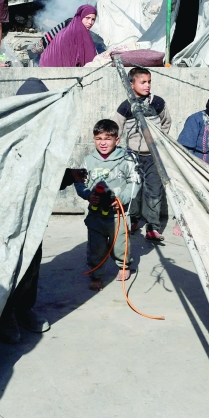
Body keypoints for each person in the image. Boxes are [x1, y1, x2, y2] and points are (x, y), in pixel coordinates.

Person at [0, 78, 85, 344]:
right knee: (7, 265)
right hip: (6, 213)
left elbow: (45, 176)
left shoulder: (48, 135)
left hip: (34, 212)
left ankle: (24, 309)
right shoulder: (8, 135)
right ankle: (4, 315)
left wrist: (69, 175)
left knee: (32, 262)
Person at [75, 119, 139, 291]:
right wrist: (88, 195)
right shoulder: (88, 160)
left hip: (119, 214)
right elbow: (79, 182)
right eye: (98, 138)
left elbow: (135, 181)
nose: (103, 143)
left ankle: (123, 266)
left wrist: (122, 199)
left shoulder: (127, 159)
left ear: (117, 140)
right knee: (96, 246)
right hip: (96, 215)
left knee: (120, 243)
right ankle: (96, 274)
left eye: (108, 138)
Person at [112, 67, 171, 242]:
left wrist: (158, 140)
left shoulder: (157, 103)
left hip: (153, 156)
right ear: (131, 84)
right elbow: (116, 127)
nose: (147, 85)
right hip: (132, 156)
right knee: (133, 190)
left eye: (149, 82)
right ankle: (134, 220)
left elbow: (166, 121)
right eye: (143, 82)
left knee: (154, 190)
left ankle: (153, 227)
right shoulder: (126, 106)